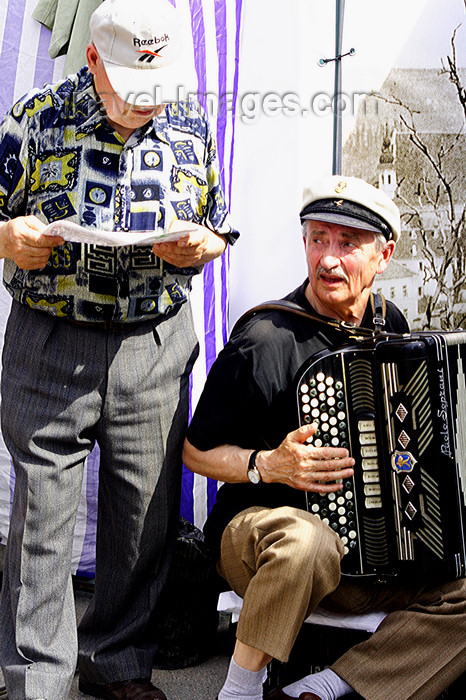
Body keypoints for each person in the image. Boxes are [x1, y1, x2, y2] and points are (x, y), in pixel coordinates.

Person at [0, 1, 238, 698]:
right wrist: (9, 239)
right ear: (94, 61)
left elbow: (218, 221)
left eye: (155, 88)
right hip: (51, 338)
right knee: (41, 522)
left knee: (143, 518)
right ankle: (35, 679)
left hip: (154, 342)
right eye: (130, 88)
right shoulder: (35, 118)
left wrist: (204, 245)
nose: (145, 105)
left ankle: (118, 662)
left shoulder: (190, 122)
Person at [183, 175, 466, 700]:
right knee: (307, 540)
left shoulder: (391, 324)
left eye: (348, 244)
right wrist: (267, 465)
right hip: (261, 545)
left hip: (365, 563)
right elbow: (195, 452)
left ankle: (327, 687)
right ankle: (240, 690)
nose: (329, 260)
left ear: (385, 255)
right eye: (318, 240)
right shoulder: (266, 337)